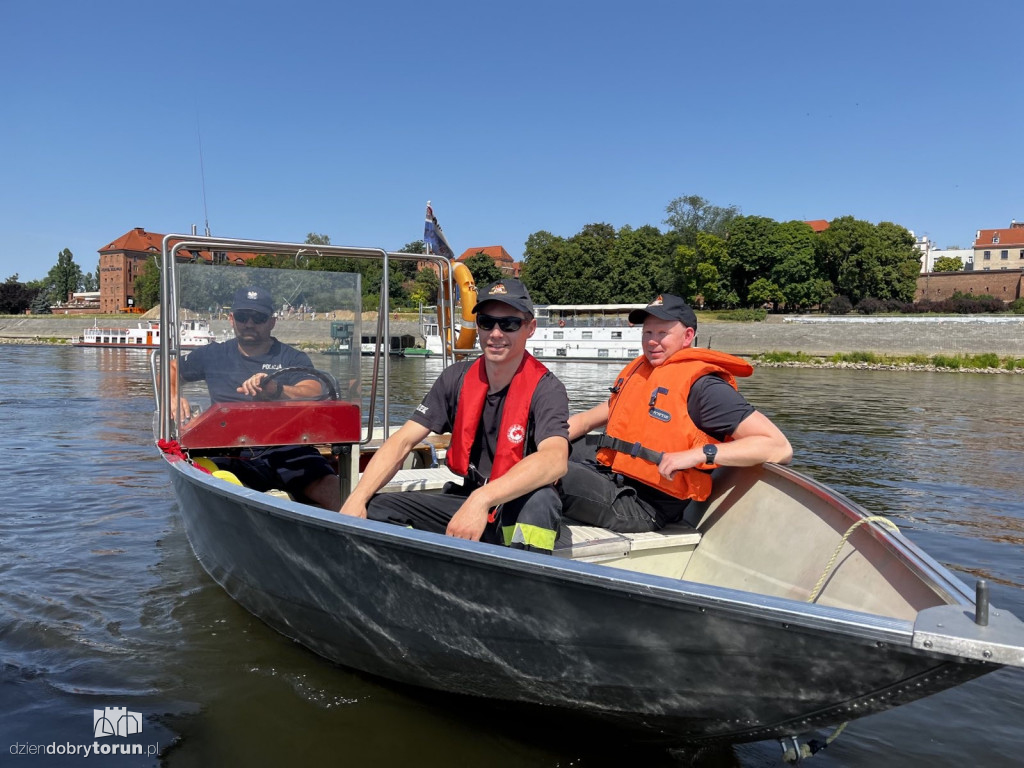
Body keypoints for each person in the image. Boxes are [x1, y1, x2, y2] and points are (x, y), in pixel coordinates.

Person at [339, 279, 570, 553]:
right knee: (376, 507)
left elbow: (555, 459)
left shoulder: (547, 389)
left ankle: (525, 582)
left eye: (508, 324)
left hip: (518, 503)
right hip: (470, 498)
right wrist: (357, 497)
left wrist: (482, 499)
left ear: (530, 328)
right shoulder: (456, 379)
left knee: (540, 502)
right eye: (486, 322)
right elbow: (402, 441)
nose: (496, 333)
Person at [560, 293, 792, 532]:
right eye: (647, 333)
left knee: (548, 470)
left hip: (643, 505)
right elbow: (587, 420)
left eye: (663, 334)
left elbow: (778, 446)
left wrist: (698, 454)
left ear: (687, 336)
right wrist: (545, 436)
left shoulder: (705, 388)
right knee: (542, 448)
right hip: (612, 476)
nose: (652, 341)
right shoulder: (642, 373)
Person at [174, 286, 342, 511]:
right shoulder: (212, 354)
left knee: (332, 488)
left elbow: (313, 388)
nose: (250, 323)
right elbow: (171, 369)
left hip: (288, 449)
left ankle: (357, 529)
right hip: (228, 450)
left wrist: (275, 389)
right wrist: (174, 396)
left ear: (272, 322)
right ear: (231, 319)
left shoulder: (292, 357)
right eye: (243, 317)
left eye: (259, 317)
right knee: (213, 475)